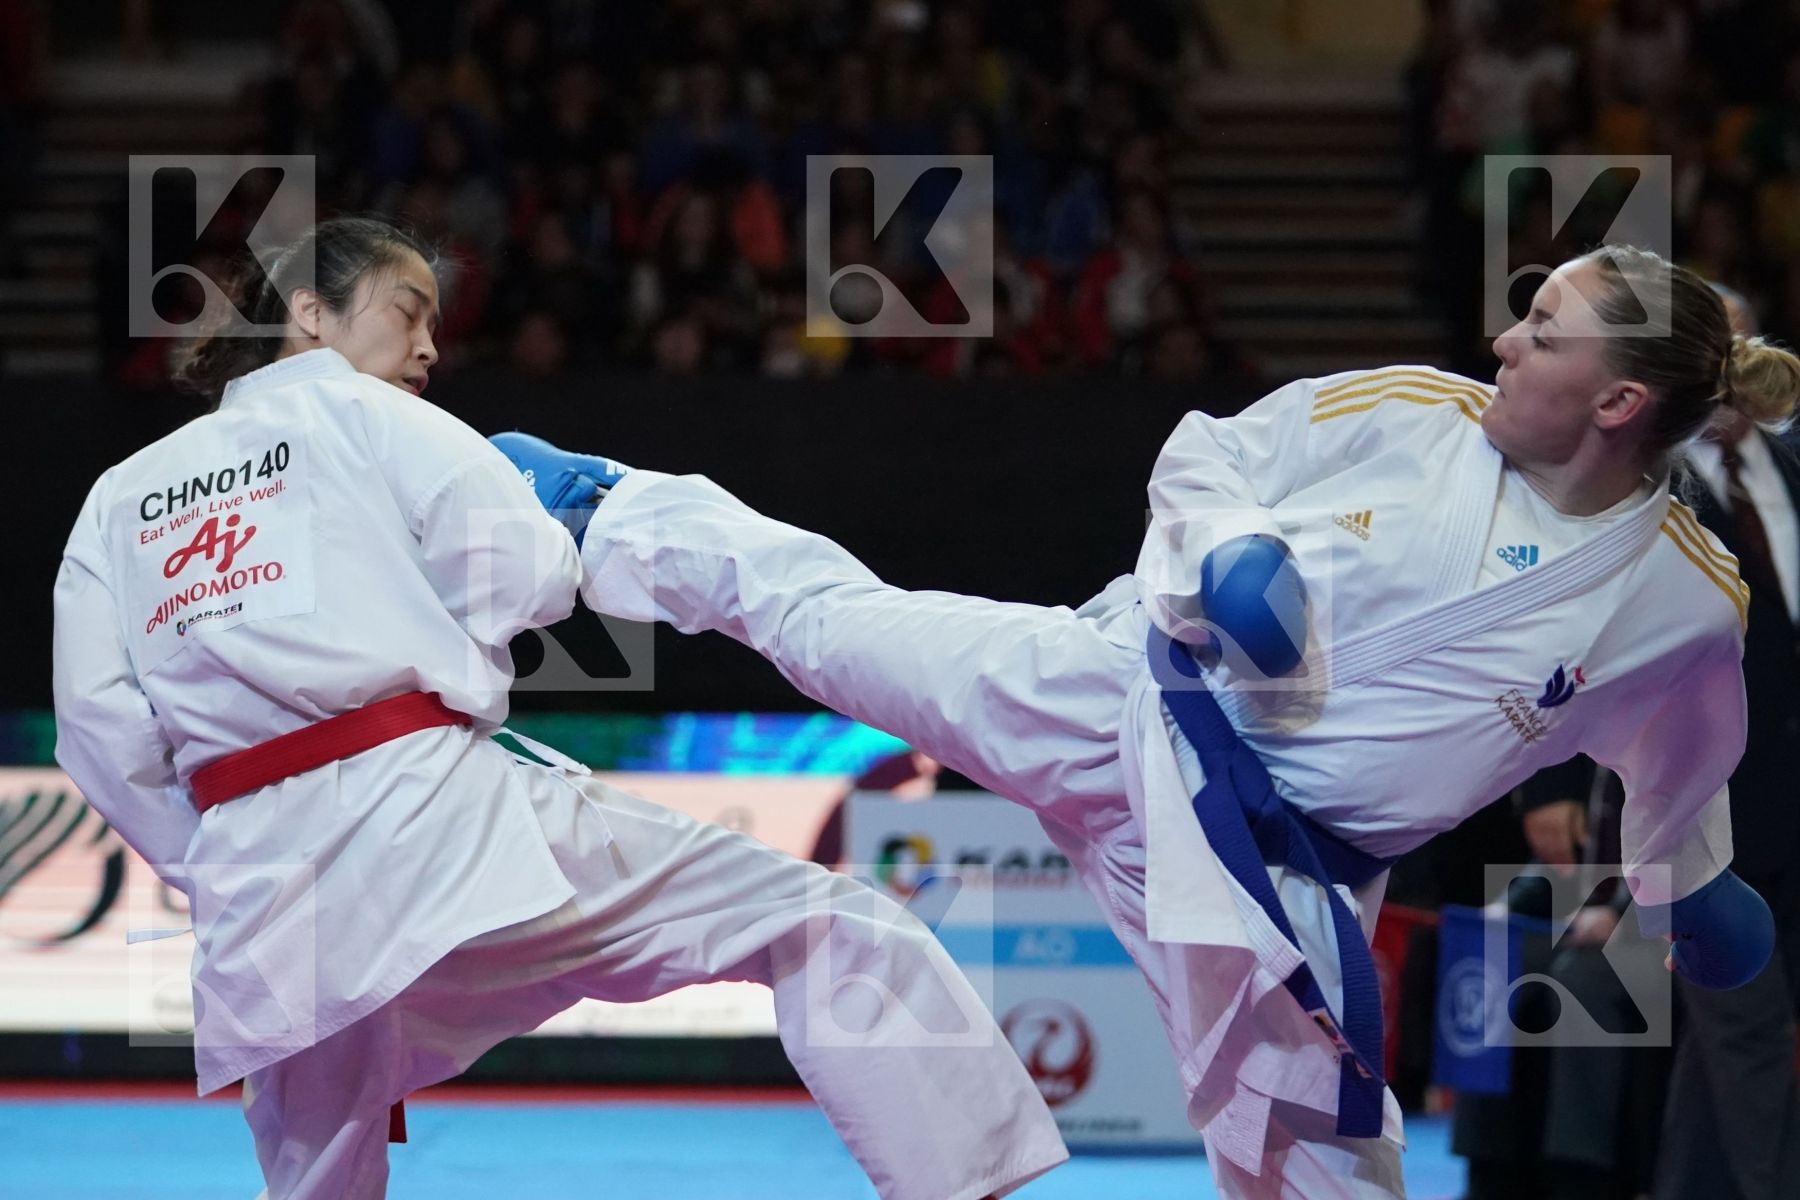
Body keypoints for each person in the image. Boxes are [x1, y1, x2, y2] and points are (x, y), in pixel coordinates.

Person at [501, 245, 1794, 1199]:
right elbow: (1208, 452)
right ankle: (599, 507)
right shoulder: (1420, 414)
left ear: (1619, 403)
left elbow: (1675, 793)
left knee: (1320, 1175)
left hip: (1277, 879)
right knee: (837, 633)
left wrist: (1688, 894)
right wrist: (1231, 557)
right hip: (1125, 694)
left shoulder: (1685, 608)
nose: (1506, 340)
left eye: (1545, 329)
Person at [50, 217, 1066, 1200]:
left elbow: (96, 731)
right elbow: (533, 575)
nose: (430, 346)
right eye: (409, 313)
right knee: (823, 922)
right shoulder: (373, 415)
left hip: (265, 896)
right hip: (439, 829)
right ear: (311, 313)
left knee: (318, 1180)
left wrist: (214, 857)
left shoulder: (118, 495)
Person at [1651, 285, 1800, 1200]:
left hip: (1795, 793)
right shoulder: (1642, 481)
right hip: (1699, 797)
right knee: (1742, 1023)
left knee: (1729, 1039)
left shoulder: (1793, 470)